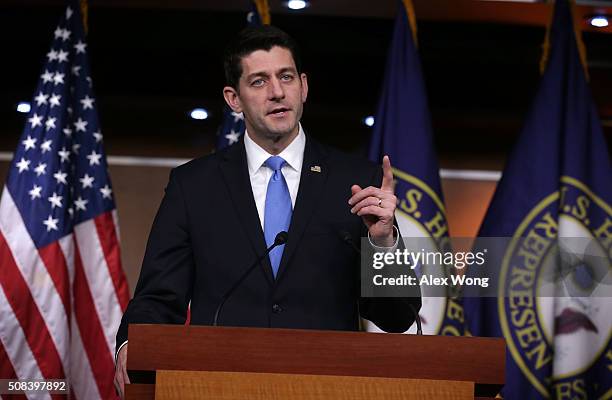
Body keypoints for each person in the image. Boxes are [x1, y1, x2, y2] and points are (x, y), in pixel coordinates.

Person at [113, 25, 420, 398]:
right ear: (234, 98)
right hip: (220, 387)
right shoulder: (193, 186)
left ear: (303, 86)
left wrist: (384, 241)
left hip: (328, 387)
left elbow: (397, 317)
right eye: (259, 81)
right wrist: (131, 344)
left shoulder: (356, 181)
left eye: (286, 77)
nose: (277, 92)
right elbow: (159, 297)